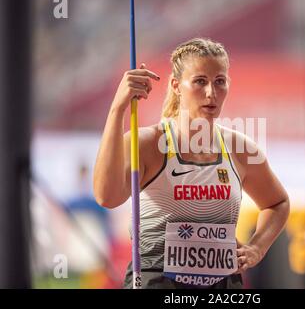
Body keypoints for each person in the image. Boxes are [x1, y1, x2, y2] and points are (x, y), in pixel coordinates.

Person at [93, 37, 290, 289]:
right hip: (158, 282)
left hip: (222, 285)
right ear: (176, 85)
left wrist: (257, 247)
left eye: (220, 82)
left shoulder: (239, 148)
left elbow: (278, 203)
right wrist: (118, 108)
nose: (211, 93)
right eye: (200, 81)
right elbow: (106, 197)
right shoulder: (148, 143)